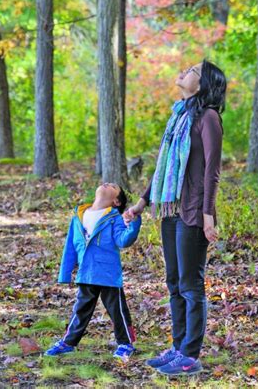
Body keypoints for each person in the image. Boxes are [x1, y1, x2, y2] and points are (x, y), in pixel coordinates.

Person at [124, 59, 226, 377]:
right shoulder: (178, 117)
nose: (185, 71)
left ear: (203, 83)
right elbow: (164, 167)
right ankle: (178, 346)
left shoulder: (207, 118)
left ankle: (190, 355)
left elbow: (212, 171)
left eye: (193, 71)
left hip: (193, 210)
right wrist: (142, 202)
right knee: (173, 283)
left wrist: (208, 215)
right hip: (169, 209)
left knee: (190, 285)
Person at [44, 182, 141, 361]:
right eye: (106, 183)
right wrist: (64, 274)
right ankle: (68, 342)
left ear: (116, 202)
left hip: (108, 273)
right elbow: (70, 247)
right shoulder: (79, 215)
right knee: (80, 309)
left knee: (117, 310)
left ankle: (126, 343)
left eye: (113, 186)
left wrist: (134, 224)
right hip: (86, 272)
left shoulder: (114, 218)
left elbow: (122, 241)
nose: (107, 183)